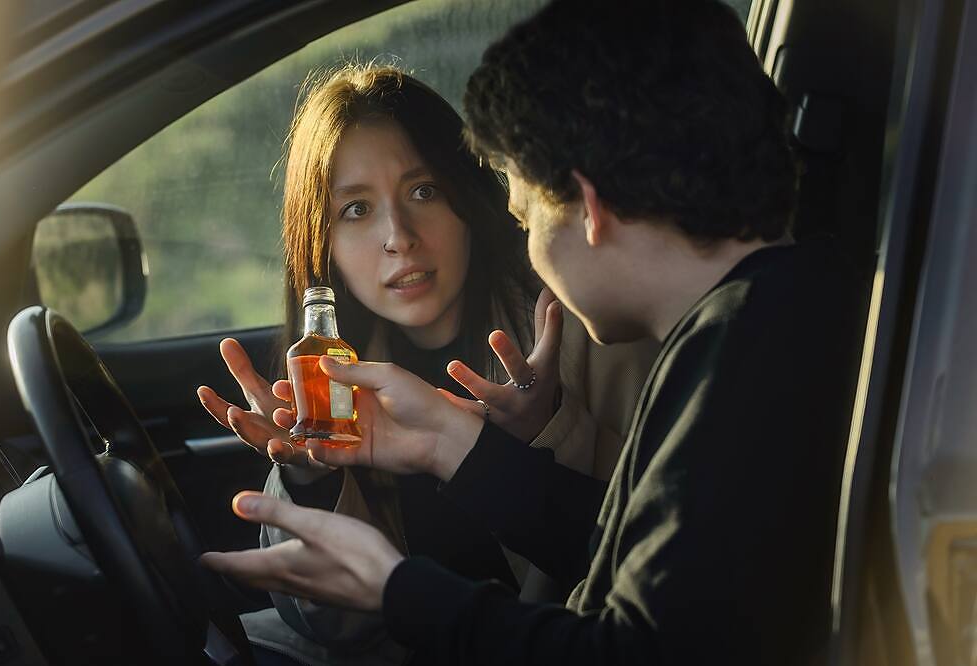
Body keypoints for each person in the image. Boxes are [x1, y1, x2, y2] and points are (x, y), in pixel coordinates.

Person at [201, 1, 869, 663]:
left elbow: (633, 648)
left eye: (525, 213)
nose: (398, 239)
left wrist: (399, 589)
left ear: (590, 207)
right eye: (356, 209)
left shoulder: (748, 355)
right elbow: (621, 556)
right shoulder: (758, 320)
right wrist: (444, 439)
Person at [196, 63, 657, 665]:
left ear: (468, 197)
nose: (399, 235)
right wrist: (314, 479)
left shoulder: (583, 330)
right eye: (356, 210)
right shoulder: (334, 381)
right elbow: (338, 629)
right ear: (321, 243)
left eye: (423, 191)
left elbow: (663, 576)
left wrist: (550, 430)